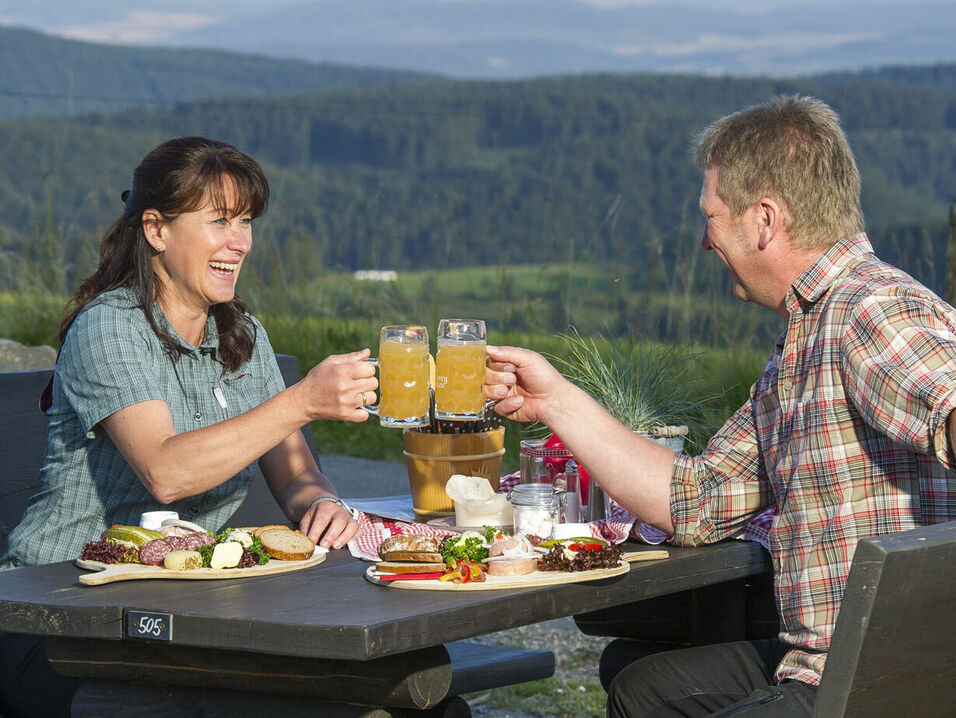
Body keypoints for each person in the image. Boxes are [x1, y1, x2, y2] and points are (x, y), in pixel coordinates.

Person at [484, 95, 956, 717]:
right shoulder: (804, 339)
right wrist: (556, 402)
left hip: (889, 681)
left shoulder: (867, 310)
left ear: (764, 220)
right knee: (640, 683)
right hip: (827, 661)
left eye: (711, 213)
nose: (705, 240)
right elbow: (694, 500)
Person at [0, 136, 378, 718]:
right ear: (156, 230)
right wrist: (301, 400)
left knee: (360, 687)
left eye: (247, 221)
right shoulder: (111, 328)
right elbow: (167, 471)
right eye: (220, 220)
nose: (240, 242)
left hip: (184, 612)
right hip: (55, 613)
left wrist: (321, 504)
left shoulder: (241, 332)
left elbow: (296, 475)